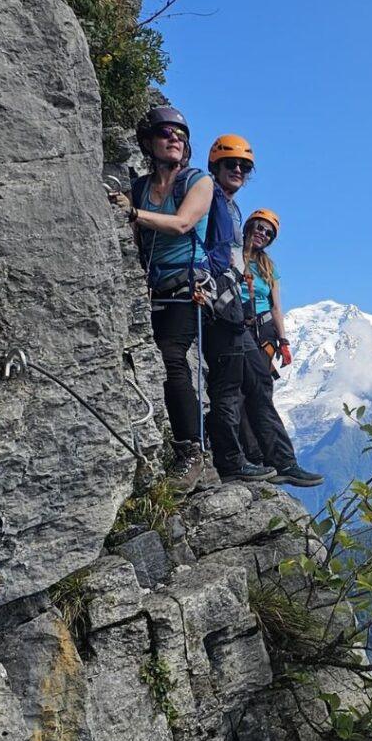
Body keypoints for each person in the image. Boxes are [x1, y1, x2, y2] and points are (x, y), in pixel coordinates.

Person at [116, 107, 264, 490]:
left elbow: (183, 225)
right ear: (148, 142)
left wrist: (133, 213)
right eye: (166, 132)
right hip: (155, 287)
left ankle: (192, 452)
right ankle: (198, 453)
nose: (175, 139)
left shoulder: (197, 181)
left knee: (171, 357)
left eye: (181, 134)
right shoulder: (141, 188)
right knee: (163, 360)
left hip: (188, 285)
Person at [239, 208, 322, 486]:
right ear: (249, 226)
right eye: (259, 227)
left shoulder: (267, 267)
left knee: (260, 393)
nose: (262, 234)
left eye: (268, 232)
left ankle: (274, 460)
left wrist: (283, 340)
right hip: (236, 324)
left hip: (262, 331)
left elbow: (276, 306)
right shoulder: (232, 255)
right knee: (241, 395)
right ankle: (259, 458)